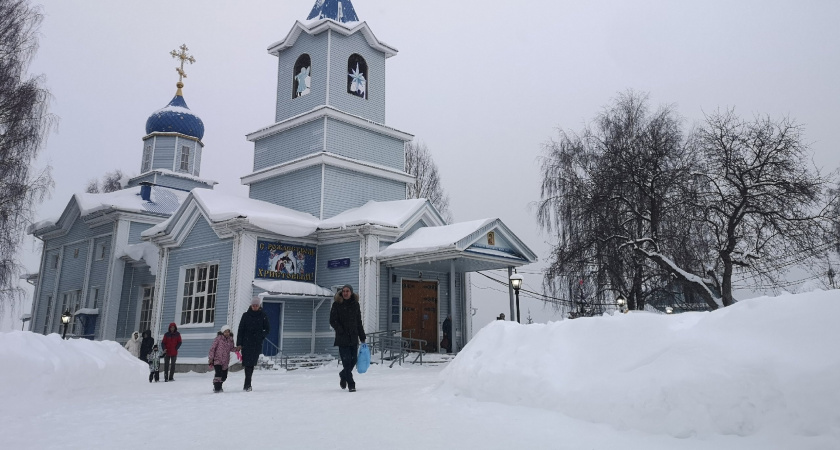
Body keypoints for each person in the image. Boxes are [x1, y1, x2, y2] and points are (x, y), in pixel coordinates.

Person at [329, 284, 366, 393]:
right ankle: (351, 384)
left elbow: (358, 322)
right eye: (343, 291)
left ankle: (343, 374)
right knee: (346, 361)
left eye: (347, 291)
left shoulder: (355, 305)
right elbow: (332, 320)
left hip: (353, 337)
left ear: (351, 293)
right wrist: (340, 329)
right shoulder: (337, 304)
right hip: (342, 338)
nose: (345, 293)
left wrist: (362, 336)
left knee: (353, 360)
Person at [236, 297, 269, 392]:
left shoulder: (263, 316)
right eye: (253, 305)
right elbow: (241, 330)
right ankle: (247, 384)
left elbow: (267, 329)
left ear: (259, 306)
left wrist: (261, 336)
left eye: (256, 305)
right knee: (247, 364)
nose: (255, 307)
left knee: (252, 363)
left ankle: (248, 383)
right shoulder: (246, 316)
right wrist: (239, 343)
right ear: (251, 305)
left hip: (256, 344)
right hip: (246, 343)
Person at [208, 325, 236, 393]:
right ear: (222, 332)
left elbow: (231, 348)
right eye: (225, 332)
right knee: (218, 374)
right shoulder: (218, 339)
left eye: (228, 332)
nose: (227, 333)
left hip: (225, 361)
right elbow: (212, 348)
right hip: (217, 360)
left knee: (224, 376)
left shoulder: (230, 340)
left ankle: (219, 385)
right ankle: (217, 388)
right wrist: (211, 358)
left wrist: (237, 348)